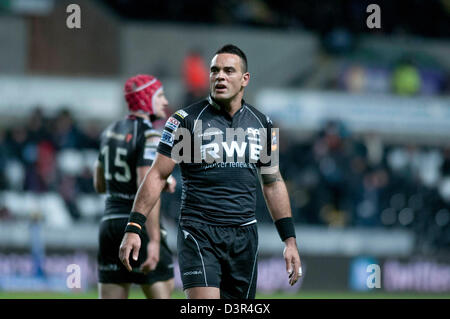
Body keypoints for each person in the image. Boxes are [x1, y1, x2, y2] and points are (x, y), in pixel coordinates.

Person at [119, 45, 302, 299]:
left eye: (229, 71)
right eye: (215, 71)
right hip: (199, 233)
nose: (220, 76)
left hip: (244, 237)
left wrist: (289, 241)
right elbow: (157, 175)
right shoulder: (185, 121)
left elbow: (272, 182)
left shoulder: (263, 124)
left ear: (244, 79)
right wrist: (134, 226)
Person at [93, 74, 177, 299]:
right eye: (159, 96)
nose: (165, 101)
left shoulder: (109, 132)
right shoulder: (150, 135)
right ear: (145, 99)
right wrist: (155, 240)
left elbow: (99, 185)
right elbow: (147, 184)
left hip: (109, 225)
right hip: (137, 227)